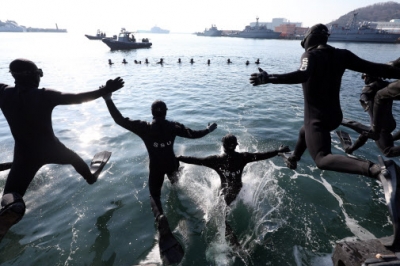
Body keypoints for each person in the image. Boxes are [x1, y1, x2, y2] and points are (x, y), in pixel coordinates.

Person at [249, 23, 400, 179]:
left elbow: (302, 74)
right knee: (304, 131)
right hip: (335, 117)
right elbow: (377, 68)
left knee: (322, 158)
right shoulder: (342, 54)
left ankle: (375, 169)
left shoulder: (310, 55)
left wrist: (270, 78)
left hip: (317, 120)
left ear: (309, 38)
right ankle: (294, 157)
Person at [0, 58, 124, 242]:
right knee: (74, 159)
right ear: (34, 76)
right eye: (38, 73)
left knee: (10, 194)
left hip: (24, 155)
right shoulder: (44, 95)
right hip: (51, 148)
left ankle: (11, 207)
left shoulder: (2, 92)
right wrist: (105, 91)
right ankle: (90, 177)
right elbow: (76, 98)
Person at [102, 95, 217, 261]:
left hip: (156, 167)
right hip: (172, 164)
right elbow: (193, 134)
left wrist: (107, 99)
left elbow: (119, 119)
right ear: (166, 112)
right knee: (175, 184)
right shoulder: (173, 126)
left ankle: (160, 218)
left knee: (154, 195)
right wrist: (208, 129)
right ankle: (181, 208)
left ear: (152, 113)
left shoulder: (145, 127)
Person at [177, 134, 289, 245]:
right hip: (238, 188)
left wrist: (180, 158)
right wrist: (278, 151)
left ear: (223, 146)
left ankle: (235, 245)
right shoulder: (243, 157)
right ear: (235, 146)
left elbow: (196, 160)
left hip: (227, 192)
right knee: (221, 212)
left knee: (220, 218)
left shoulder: (216, 160)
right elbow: (261, 155)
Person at [340, 72, 400, 157]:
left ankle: (350, 148)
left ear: (368, 76)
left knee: (388, 151)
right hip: (391, 123)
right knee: (368, 132)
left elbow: (364, 96)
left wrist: (365, 104)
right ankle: (351, 149)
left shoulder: (369, 87)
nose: (363, 79)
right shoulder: (386, 85)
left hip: (380, 126)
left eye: (364, 77)